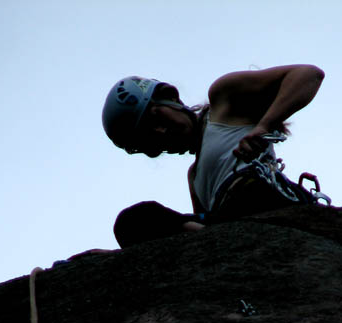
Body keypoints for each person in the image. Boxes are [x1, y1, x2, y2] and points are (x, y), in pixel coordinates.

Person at [102, 66, 326, 247]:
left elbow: (308, 75)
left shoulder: (223, 100)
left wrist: (264, 125)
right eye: (149, 137)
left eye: (156, 119)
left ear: (170, 97)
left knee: (245, 195)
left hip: (260, 197)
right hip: (229, 223)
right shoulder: (194, 177)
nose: (161, 131)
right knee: (133, 221)